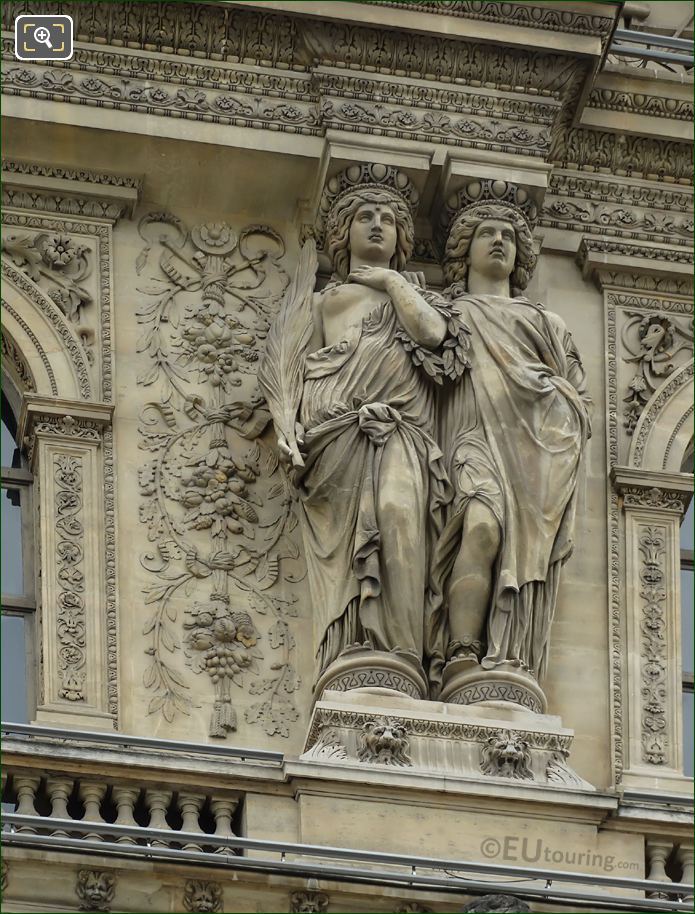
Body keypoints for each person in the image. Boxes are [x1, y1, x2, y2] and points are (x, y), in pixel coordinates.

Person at [261, 167, 468, 691]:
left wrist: (393, 282)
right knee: (352, 549)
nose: (377, 225)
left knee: (400, 520)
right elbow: (297, 369)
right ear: (342, 232)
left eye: (388, 219)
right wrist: (288, 425)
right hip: (340, 439)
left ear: (403, 238)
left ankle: (401, 653)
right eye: (364, 217)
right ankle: (358, 649)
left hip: (402, 433)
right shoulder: (325, 302)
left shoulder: (418, 295)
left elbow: (435, 336)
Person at [432, 195, 591, 689]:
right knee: (480, 527)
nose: (498, 240)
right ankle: (460, 649)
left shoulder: (547, 323)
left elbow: (578, 399)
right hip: (469, 436)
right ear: (465, 249)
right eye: (486, 233)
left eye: (507, 234)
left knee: (517, 552)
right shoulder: (448, 314)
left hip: (532, 449)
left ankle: (507, 651)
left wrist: (550, 397)